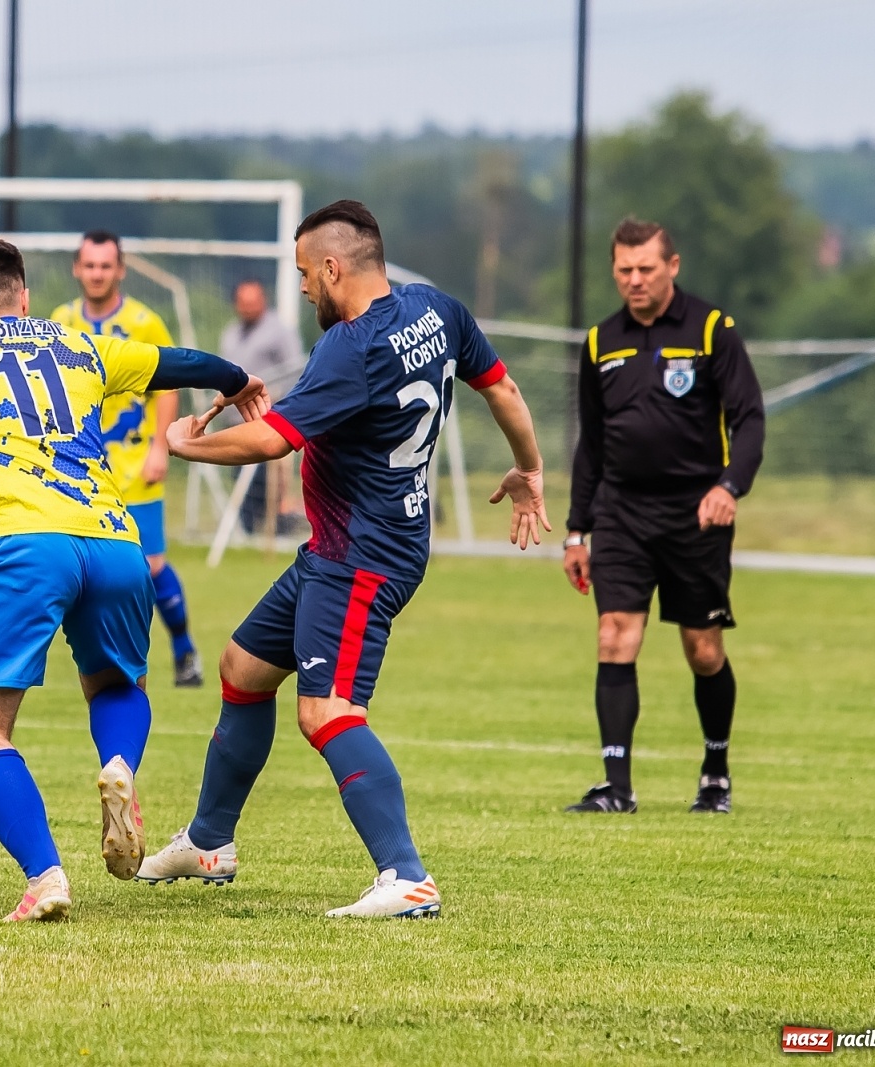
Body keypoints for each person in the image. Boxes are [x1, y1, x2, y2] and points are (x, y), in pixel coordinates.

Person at [135, 200, 551, 919]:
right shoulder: (437, 309)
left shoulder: (351, 346)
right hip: (345, 545)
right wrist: (530, 468)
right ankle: (208, 841)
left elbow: (272, 444)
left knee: (327, 710)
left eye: (303, 273)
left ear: (333, 267)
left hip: (363, 554)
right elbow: (504, 390)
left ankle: (407, 875)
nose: (300, 287)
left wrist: (183, 444)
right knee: (241, 667)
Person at [0, 237, 267, 922]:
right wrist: (236, 379)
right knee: (116, 684)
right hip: (115, 542)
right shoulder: (80, 344)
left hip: (23, 545)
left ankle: (45, 876)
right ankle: (120, 763)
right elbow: (186, 364)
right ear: (25, 297)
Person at [561, 218, 765, 815]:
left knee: (702, 649)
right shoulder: (601, 341)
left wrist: (730, 486)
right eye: (624, 270)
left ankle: (715, 774)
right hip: (620, 513)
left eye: (646, 268)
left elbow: (748, 418)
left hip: (696, 515)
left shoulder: (710, 330)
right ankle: (617, 787)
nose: (635, 280)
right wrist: (577, 530)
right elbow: (591, 444)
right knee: (614, 636)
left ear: (671, 266)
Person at [51, 231, 204, 687]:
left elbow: (167, 386)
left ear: (120, 270)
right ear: (77, 269)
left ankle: (184, 652)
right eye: (89, 265)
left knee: (150, 565)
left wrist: (161, 447)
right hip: (80, 468)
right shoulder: (60, 321)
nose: (97, 273)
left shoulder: (144, 322)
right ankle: (103, 659)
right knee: (80, 564)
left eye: (105, 265)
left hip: (135, 465)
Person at [217, 279, 306, 534]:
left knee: (268, 488)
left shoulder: (280, 332)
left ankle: (277, 531)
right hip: (235, 423)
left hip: (268, 422)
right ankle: (248, 535)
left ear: (263, 301)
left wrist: (279, 403)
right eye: (243, 303)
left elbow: (295, 369)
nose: (248, 308)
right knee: (241, 489)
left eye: (252, 302)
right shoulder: (231, 333)